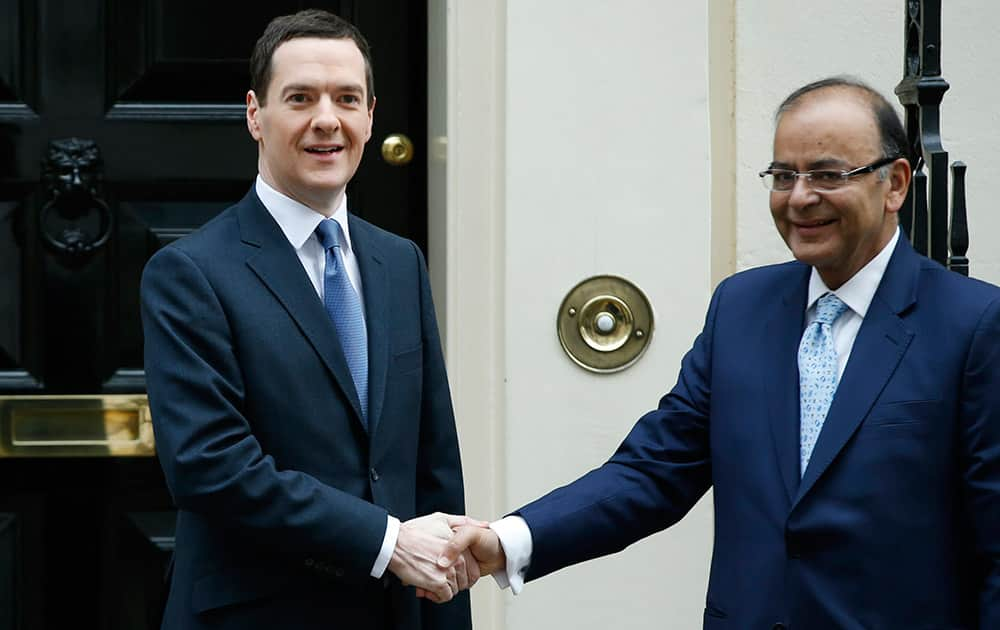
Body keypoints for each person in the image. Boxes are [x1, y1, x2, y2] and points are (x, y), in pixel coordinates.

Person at [444, 77, 1000, 628]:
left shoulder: (972, 325)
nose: (801, 197)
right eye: (784, 176)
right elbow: (655, 469)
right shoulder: (741, 308)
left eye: (828, 175)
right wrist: (506, 541)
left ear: (896, 184)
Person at [140, 10, 477, 630]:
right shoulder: (190, 272)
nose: (327, 119)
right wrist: (386, 542)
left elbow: (433, 465)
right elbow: (209, 465)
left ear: (371, 116)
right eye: (300, 98)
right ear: (254, 115)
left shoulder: (399, 261)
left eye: (347, 98)